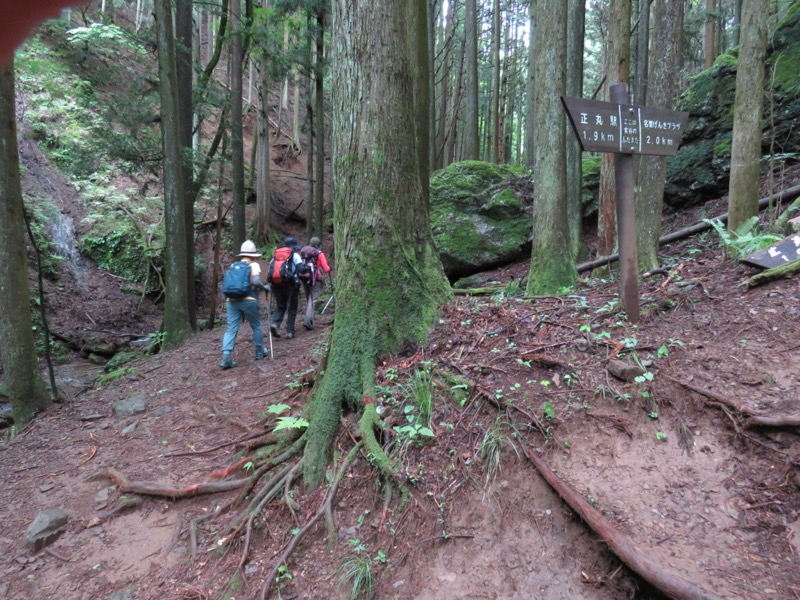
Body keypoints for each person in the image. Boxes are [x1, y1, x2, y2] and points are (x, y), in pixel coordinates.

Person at [220, 240, 270, 369]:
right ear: (253, 255)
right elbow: (255, 280)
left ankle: (226, 358)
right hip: (249, 299)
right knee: (256, 325)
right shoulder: (253, 265)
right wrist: (264, 287)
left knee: (231, 329)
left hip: (231, 300)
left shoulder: (233, 265)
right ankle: (259, 352)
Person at [268, 236, 303, 339]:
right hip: (291, 284)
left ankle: (275, 323)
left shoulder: (275, 255)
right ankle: (289, 331)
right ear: (293, 246)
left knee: (280, 306)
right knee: (292, 308)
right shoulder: (295, 255)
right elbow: (301, 269)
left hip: (277, 284)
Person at [300, 236, 331, 330]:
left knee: (308, 296)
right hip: (315, 278)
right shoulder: (319, 253)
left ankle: (309, 316)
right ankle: (308, 320)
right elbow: (326, 269)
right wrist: (330, 268)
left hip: (304, 276)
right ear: (318, 245)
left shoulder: (304, 250)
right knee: (312, 299)